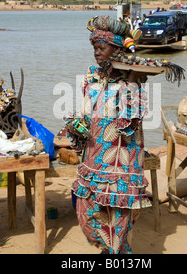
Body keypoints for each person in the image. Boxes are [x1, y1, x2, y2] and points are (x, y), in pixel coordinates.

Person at [65, 15, 151, 254]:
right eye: (94, 47)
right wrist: (76, 125)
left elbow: (131, 120)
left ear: (115, 49)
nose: (96, 52)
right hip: (95, 154)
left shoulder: (132, 79)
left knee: (119, 210)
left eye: (101, 47)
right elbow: (86, 109)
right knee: (87, 207)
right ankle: (107, 246)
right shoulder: (92, 76)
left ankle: (115, 251)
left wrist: (132, 80)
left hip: (122, 157)